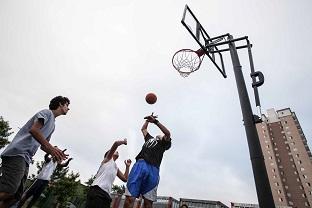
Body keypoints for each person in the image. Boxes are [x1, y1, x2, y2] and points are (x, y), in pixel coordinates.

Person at [0, 96, 70, 208]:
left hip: (26, 158)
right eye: (67, 105)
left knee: (15, 197)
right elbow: (34, 130)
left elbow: (44, 146)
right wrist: (51, 148)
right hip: (18, 152)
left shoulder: (53, 125)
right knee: (9, 190)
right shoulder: (46, 113)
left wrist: (56, 151)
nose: (68, 108)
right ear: (61, 104)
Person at [123, 113, 171, 208]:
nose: (161, 135)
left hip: (153, 169)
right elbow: (143, 129)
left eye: (163, 136)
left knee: (148, 203)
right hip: (140, 164)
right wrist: (147, 121)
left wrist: (155, 122)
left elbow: (167, 133)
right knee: (129, 199)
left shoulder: (163, 144)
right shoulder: (150, 139)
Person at [85, 139, 132, 208]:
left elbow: (125, 179)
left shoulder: (115, 167)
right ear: (109, 154)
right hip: (97, 190)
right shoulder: (107, 160)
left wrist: (127, 167)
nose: (117, 151)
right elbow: (116, 143)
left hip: (106, 194)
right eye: (115, 151)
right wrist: (124, 142)